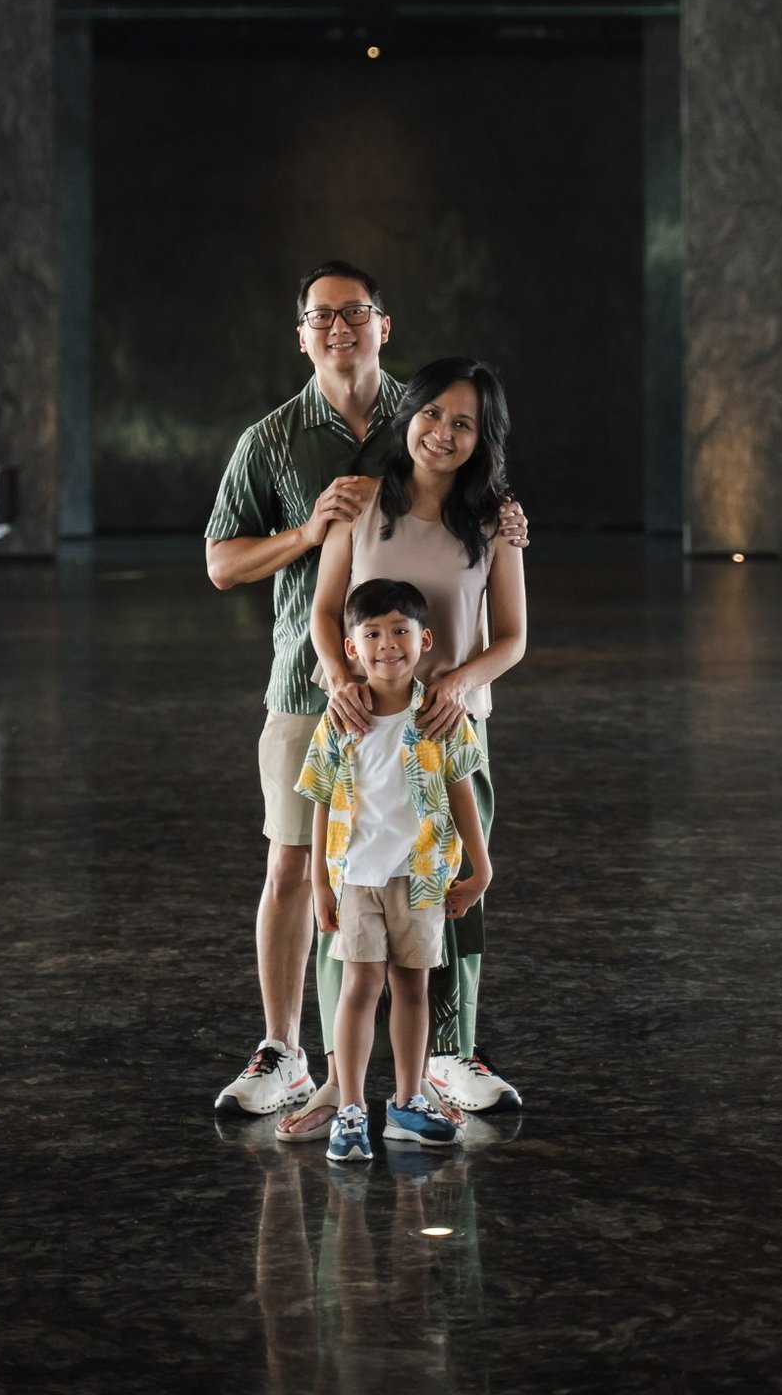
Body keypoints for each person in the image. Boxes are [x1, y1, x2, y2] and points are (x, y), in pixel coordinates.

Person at [205, 262, 527, 1124]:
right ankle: (294, 1054)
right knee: (304, 869)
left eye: (356, 313)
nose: (339, 327)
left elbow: (500, 598)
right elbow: (224, 564)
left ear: (386, 325)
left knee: (441, 879)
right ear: (301, 333)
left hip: (434, 716)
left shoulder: (427, 429)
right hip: (317, 696)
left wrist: (508, 527)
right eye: (322, 316)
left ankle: (442, 1058)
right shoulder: (271, 441)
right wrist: (309, 532)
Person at [305, 357, 526, 1118]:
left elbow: (515, 639)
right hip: (363, 738)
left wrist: (459, 684)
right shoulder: (359, 502)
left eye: (464, 423)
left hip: (450, 735)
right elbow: (325, 613)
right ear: (410, 414)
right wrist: (340, 684)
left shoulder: (495, 521)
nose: (443, 433)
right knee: (351, 901)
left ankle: (451, 1055)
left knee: (453, 901)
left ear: (481, 439)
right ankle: (343, 1073)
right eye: (433, 413)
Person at [298, 577, 491, 1163]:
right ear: (351, 648)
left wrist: (479, 869)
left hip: (424, 876)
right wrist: (319, 883)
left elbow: (463, 793)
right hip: (357, 878)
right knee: (359, 988)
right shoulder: (339, 720)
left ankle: (408, 1101)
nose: (388, 645)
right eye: (373, 634)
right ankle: (351, 1108)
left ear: (425, 639)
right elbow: (321, 800)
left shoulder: (441, 717)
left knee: (413, 987)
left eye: (401, 631)